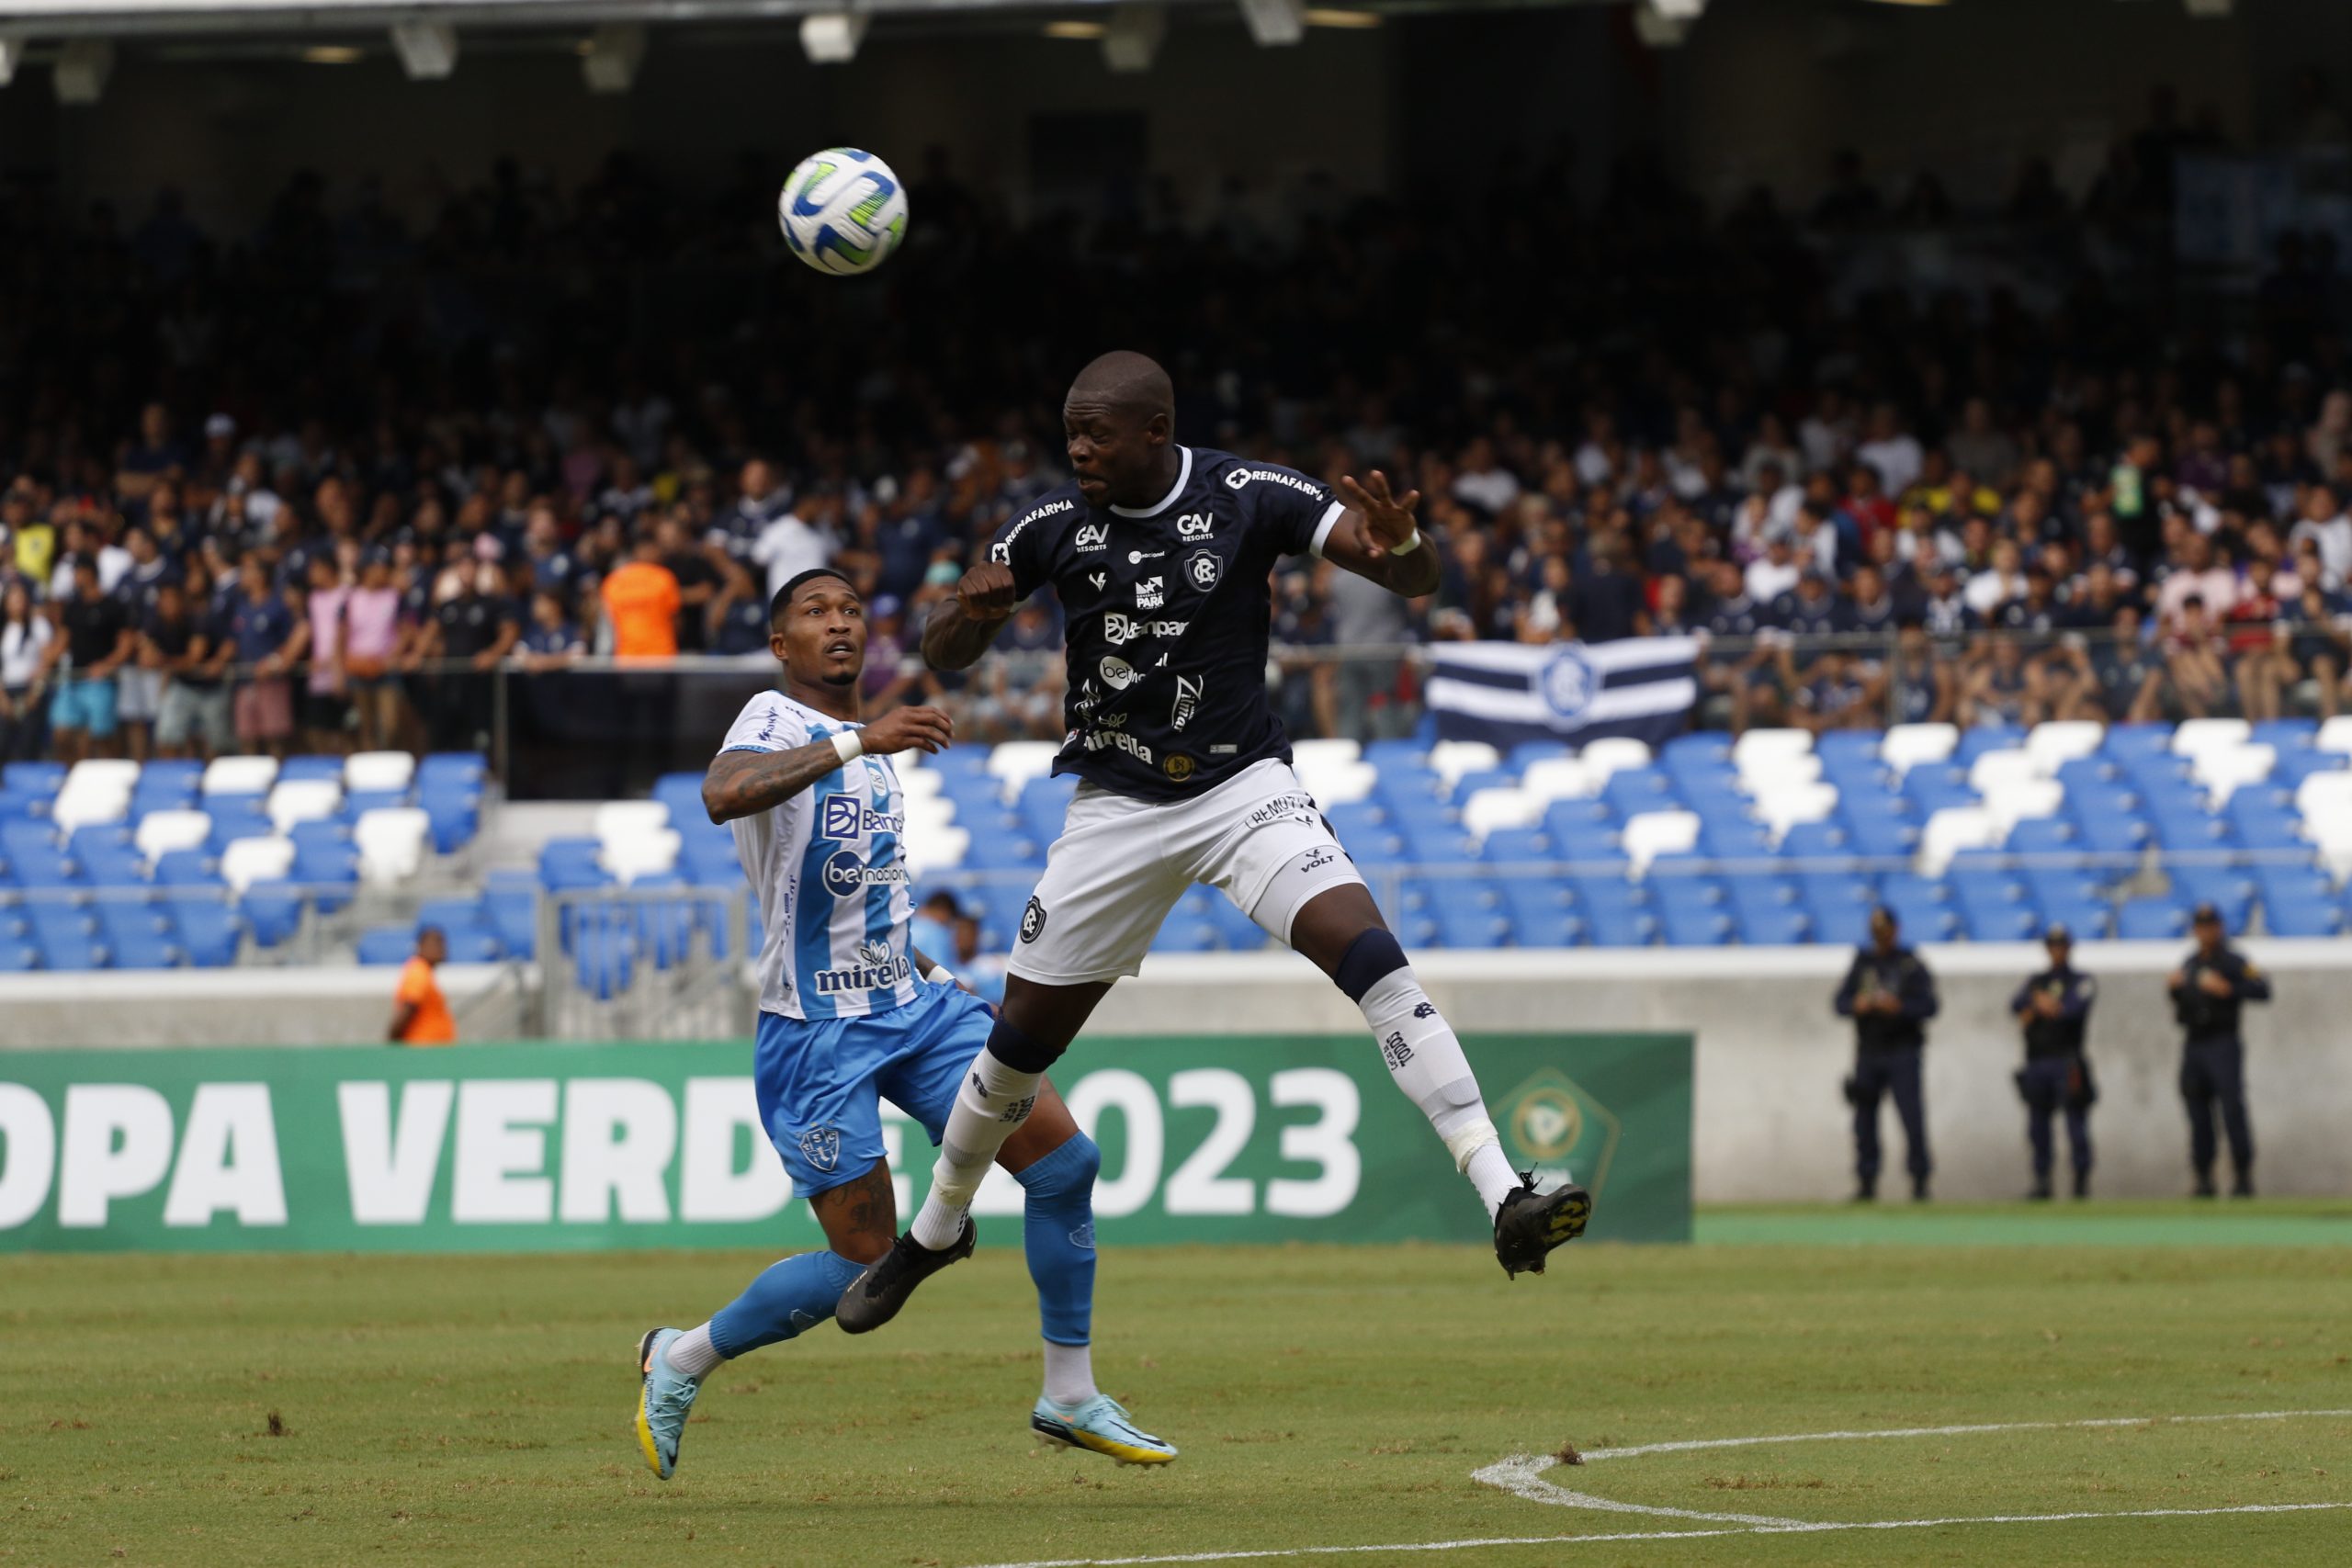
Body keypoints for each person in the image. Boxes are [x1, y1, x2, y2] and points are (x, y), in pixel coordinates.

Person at [855, 350, 1589, 1341]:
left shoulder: (1250, 493)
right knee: (1018, 1045)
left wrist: (1408, 546)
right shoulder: (1047, 526)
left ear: (1154, 431)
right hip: (1114, 808)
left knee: (1370, 957)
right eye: (1069, 432)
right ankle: (937, 1229)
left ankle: (1504, 1194)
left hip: (1242, 787)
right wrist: (969, 616)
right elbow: (944, 650)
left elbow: (1405, 575)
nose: (1078, 449)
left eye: (1096, 433)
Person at [632, 566, 1175, 1483]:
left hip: (915, 1009)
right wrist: (856, 742)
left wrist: (947, 980)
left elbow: (867, 900)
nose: (838, 624)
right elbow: (722, 795)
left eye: (850, 609)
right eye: (815, 612)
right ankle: (681, 1358)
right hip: (816, 1033)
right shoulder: (774, 718)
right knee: (865, 1264)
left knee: (1064, 1164)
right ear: (780, 644)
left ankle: (1070, 1394)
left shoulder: (868, 744)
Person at [1833, 906, 1939, 1201]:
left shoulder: (1909, 965)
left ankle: (1920, 1181)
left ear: (1895, 930)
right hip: (1869, 1052)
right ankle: (1866, 1182)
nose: (1879, 937)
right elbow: (1840, 1002)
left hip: (1902, 1052)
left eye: (1884, 931)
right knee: (1864, 1120)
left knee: (1911, 1118)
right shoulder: (1863, 964)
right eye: (1875, 932)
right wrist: (1858, 1004)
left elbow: (1930, 1006)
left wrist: (1899, 1008)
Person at [2168, 902, 2270, 1198]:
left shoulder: (2234, 961)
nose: (2205, 932)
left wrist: (2228, 989)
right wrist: (2174, 989)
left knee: (2232, 1110)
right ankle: (2203, 1177)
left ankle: (2242, 1176)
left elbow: (2262, 989)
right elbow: (2183, 1002)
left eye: (2210, 926)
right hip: (2194, 1044)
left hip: (2223, 1043)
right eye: (2200, 927)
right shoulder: (2190, 962)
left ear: (2219, 928)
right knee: (2198, 1114)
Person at [2009, 923, 2096, 1201]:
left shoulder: (2080, 980)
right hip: (2038, 1061)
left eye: (2061, 946)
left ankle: (2080, 1183)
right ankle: (2042, 1181)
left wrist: (2043, 1007)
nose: (2057, 951)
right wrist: (2039, 1005)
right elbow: (2016, 1005)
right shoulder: (2037, 981)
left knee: (2075, 1124)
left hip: (2066, 1060)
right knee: (2038, 1127)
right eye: (2052, 946)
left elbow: (2071, 1009)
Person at [38, 558, 133, 763]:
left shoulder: (112, 606)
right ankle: (71, 775)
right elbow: (64, 639)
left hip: (101, 680)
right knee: (61, 733)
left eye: (77, 572)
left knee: (101, 736)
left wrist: (107, 665)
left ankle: (114, 770)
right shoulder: (73, 607)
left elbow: (126, 643)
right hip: (74, 677)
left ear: (89, 573)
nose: (74, 577)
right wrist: (46, 662)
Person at [600, 528, 682, 659]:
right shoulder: (664, 577)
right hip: (661, 655)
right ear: (644, 549)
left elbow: (609, 623)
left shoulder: (613, 581)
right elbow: (675, 620)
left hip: (627, 656)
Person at [388, 927, 457, 1046]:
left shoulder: (425, 973)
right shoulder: (419, 972)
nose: (441, 949)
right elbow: (408, 1008)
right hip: (422, 1050)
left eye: (442, 943)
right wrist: (393, 1047)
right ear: (420, 946)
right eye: (435, 943)